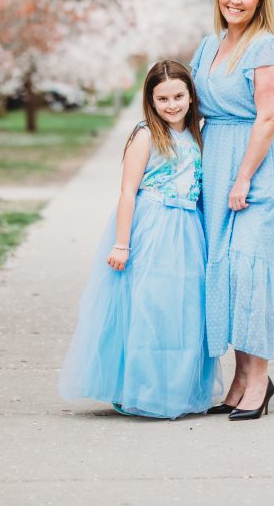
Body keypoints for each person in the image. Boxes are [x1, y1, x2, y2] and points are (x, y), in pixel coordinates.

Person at [58, 60, 223, 419]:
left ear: (191, 97)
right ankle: (139, 388)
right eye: (162, 98)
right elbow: (128, 192)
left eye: (179, 96)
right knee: (150, 306)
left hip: (188, 229)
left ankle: (178, 390)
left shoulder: (198, 133)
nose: (172, 105)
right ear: (150, 100)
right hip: (153, 226)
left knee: (185, 309)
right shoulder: (147, 134)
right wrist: (122, 243)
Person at [190, 0, 274, 421]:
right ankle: (239, 379)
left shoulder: (265, 47)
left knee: (251, 269)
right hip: (216, 162)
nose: (235, 0)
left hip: (257, 169)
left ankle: (259, 381)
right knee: (227, 273)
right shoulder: (209, 45)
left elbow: (269, 117)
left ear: (260, 1)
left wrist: (243, 177)